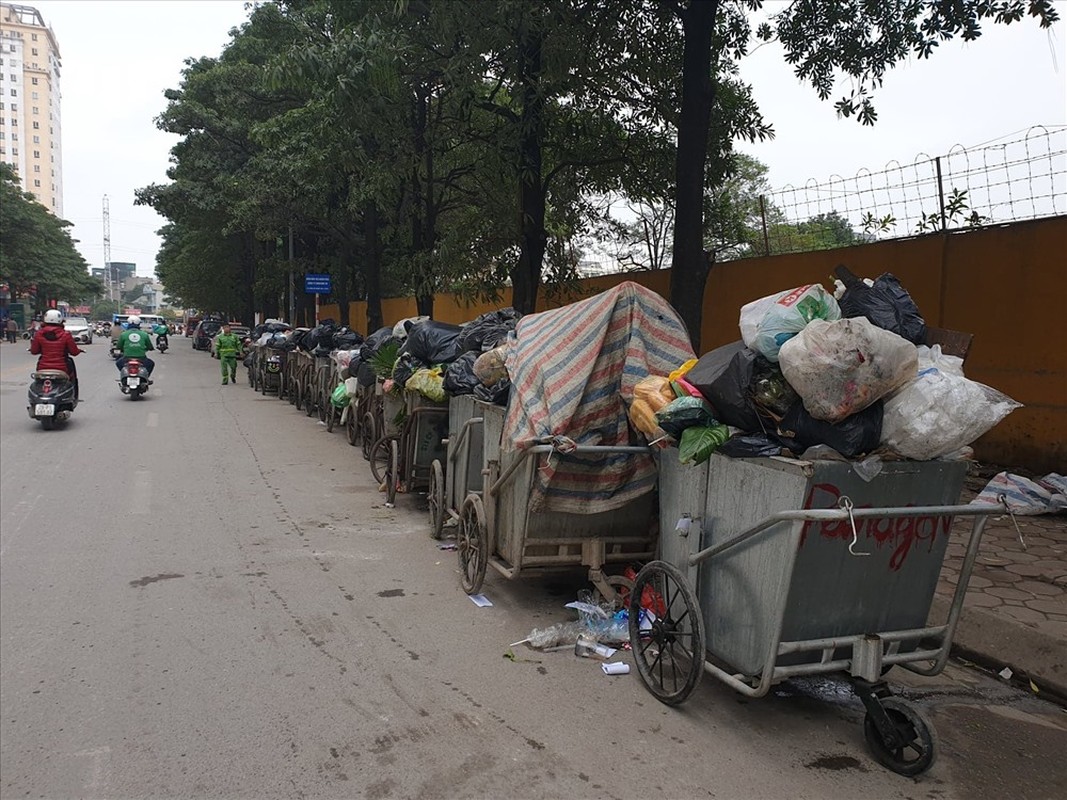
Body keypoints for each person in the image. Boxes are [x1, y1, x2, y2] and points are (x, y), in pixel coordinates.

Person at [29, 310, 82, 398]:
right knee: (72, 378)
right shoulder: (66, 335)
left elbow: (34, 351)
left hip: (42, 368)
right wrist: (79, 350)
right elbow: (74, 352)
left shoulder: (39, 334)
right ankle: (74, 397)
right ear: (60, 321)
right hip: (62, 368)